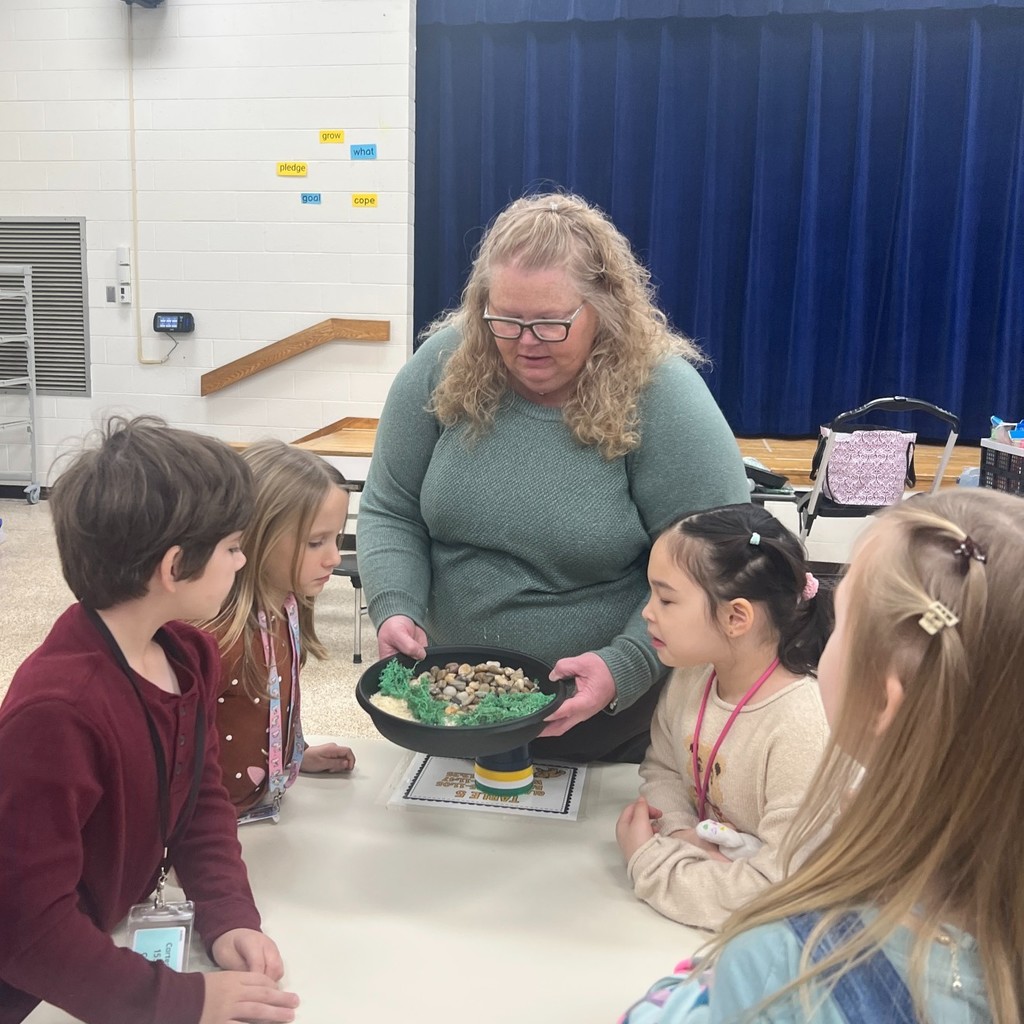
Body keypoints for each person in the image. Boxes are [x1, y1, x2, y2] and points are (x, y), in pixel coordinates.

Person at [357, 191, 750, 763]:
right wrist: (395, 604)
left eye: (550, 323)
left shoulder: (662, 394)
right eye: (505, 320)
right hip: (448, 706)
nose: (524, 344)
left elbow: (719, 561)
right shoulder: (444, 364)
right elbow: (391, 508)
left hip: (607, 717)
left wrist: (626, 664)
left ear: (605, 308)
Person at [618, 488, 1020, 1023]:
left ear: (884, 699)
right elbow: (666, 768)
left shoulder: (777, 963)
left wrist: (653, 862)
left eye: (840, 627)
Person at [0, 417, 299, 1024]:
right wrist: (182, 1001)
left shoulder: (187, 655)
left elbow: (200, 797)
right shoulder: (57, 712)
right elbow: (23, 926)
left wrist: (226, 912)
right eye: (233, 548)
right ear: (173, 567)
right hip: (33, 993)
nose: (242, 562)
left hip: (99, 949)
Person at [616, 503, 833, 930]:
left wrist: (649, 861)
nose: (647, 612)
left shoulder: (803, 726)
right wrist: (681, 837)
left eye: (666, 598)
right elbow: (662, 769)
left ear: (736, 617)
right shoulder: (693, 676)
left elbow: (778, 894)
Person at [203, 440, 356, 821]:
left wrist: (295, 755)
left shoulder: (286, 608)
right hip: (214, 831)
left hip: (260, 811)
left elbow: (271, 705)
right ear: (256, 537)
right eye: (315, 542)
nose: (335, 557)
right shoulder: (217, 637)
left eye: (337, 538)